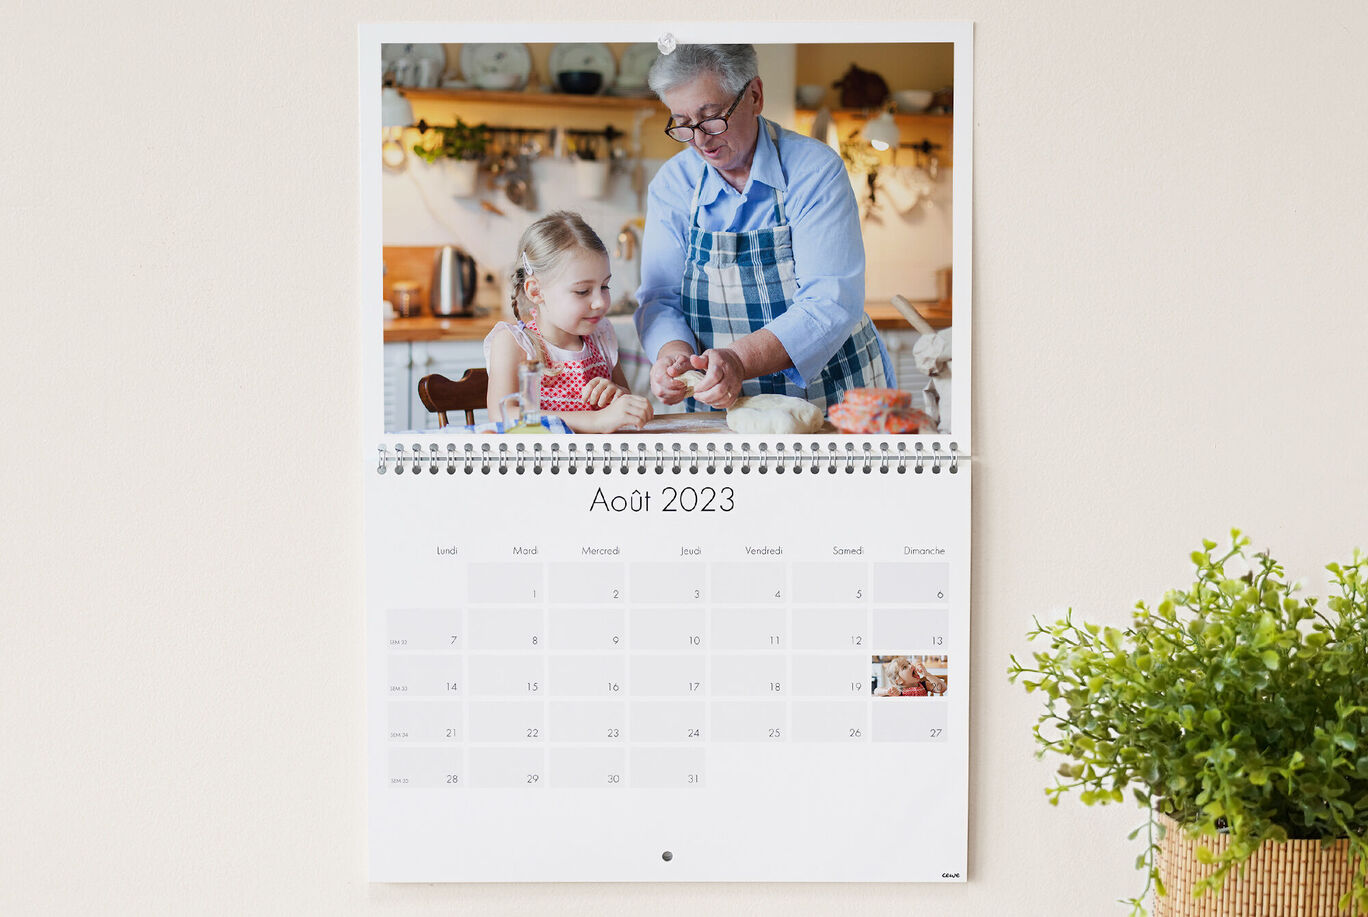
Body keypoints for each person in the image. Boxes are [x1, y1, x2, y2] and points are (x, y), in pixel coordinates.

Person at [634, 43, 895, 412]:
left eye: (710, 117)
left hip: (832, 395)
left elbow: (829, 301)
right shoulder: (673, 186)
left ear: (754, 96)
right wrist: (673, 356)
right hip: (722, 401)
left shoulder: (814, 172)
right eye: (682, 123)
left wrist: (738, 361)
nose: (700, 139)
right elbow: (661, 299)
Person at [484, 211, 654, 433]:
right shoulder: (513, 343)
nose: (600, 302)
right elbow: (502, 415)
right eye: (583, 291)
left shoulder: (602, 335)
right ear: (536, 291)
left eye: (604, 286)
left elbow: (624, 403)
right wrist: (595, 421)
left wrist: (616, 395)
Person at [874, 656, 946, 697]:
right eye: (904, 667)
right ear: (899, 680)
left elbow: (942, 688)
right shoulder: (897, 691)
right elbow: (876, 691)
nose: (911, 666)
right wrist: (886, 691)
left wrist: (927, 674)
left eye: (909, 663)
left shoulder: (924, 685)